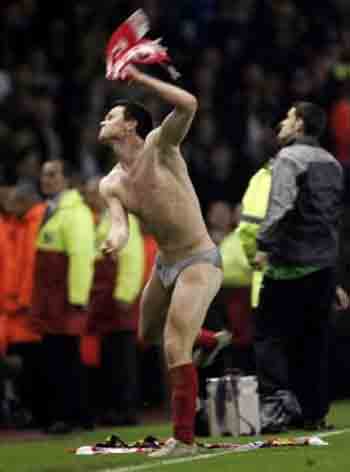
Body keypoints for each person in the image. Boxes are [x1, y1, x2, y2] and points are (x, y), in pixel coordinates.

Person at [98, 65, 223, 457]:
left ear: (131, 125)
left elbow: (188, 103)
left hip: (199, 258)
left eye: (111, 116)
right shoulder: (110, 182)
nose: (103, 120)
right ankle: (208, 340)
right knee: (148, 334)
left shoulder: (160, 145)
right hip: (166, 264)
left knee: (172, 343)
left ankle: (183, 440)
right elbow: (120, 227)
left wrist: (142, 80)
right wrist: (113, 243)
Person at [254, 102, 344, 431]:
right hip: (322, 269)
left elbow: (280, 206)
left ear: (300, 125)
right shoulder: (333, 164)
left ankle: (276, 409)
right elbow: (333, 222)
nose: (282, 121)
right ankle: (315, 414)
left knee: (269, 338)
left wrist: (264, 245)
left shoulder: (289, 159)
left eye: (289, 117)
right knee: (314, 343)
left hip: (287, 267)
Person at [31, 159, 95, 434]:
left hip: (65, 297)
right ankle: (70, 415)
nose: (46, 179)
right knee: (57, 356)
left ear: (66, 180)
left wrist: (77, 297)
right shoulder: (51, 210)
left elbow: (81, 257)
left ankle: (69, 416)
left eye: (52, 175)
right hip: (52, 296)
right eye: (44, 175)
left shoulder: (75, 213)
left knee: (64, 357)